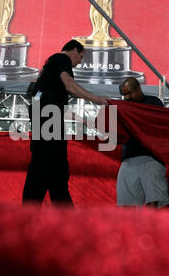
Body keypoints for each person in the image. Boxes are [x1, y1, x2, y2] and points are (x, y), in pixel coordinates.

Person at [22, 39, 108, 205]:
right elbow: (70, 85)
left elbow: (60, 109)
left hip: (46, 126)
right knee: (48, 172)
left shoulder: (49, 74)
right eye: (81, 56)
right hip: (49, 129)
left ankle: (42, 214)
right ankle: (40, 214)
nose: (79, 62)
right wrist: (96, 100)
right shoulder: (61, 60)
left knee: (52, 175)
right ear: (74, 49)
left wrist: (86, 122)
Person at [117, 77, 169, 208]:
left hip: (151, 157)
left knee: (154, 199)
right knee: (125, 202)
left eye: (130, 93)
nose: (127, 97)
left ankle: (150, 228)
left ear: (139, 89)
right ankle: (130, 229)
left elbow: (161, 126)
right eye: (124, 95)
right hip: (128, 159)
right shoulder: (122, 107)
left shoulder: (153, 102)